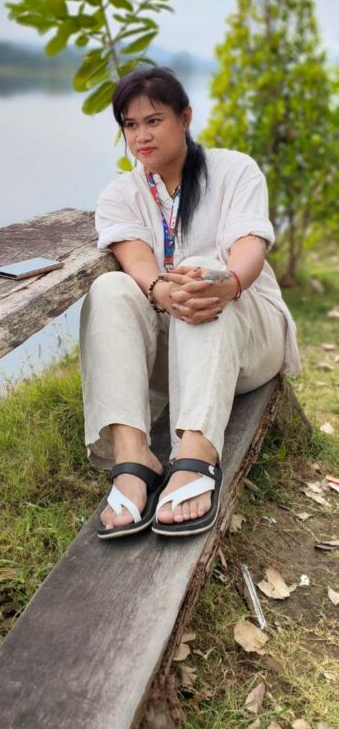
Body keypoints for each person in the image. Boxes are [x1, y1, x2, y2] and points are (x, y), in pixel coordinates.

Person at [79, 66, 301, 539]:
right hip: (175, 355)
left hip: (249, 337)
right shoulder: (120, 195)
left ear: (185, 118)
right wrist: (163, 290)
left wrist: (228, 282)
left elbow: (250, 245)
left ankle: (196, 454)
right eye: (130, 125)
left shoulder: (234, 170)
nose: (141, 135)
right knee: (110, 288)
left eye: (153, 120)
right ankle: (133, 455)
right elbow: (136, 259)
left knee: (202, 270)